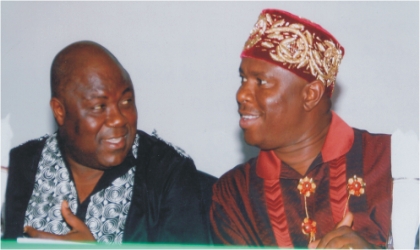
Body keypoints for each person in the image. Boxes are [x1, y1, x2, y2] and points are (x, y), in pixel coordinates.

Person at [210, 9, 392, 249]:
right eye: (243, 79)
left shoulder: (391, 161)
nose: (241, 94)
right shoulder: (234, 196)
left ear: (310, 95)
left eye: (260, 82)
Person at [3, 41, 214, 244]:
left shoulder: (168, 172)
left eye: (126, 102)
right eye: (98, 107)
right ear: (60, 111)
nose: (119, 119)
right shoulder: (21, 167)